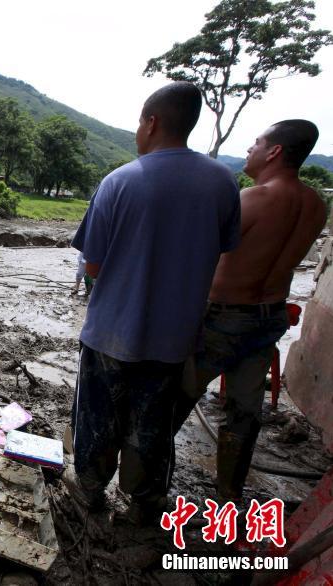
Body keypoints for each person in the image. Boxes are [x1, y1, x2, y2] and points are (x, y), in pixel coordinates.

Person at [65, 82, 241, 524]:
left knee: (99, 417)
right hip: (174, 338)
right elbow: (221, 252)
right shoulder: (223, 183)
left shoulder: (118, 182)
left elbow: (93, 268)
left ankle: (90, 490)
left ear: (151, 122)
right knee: (154, 424)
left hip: (110, 333)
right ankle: (144, 502)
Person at [172, 120, 327, 501]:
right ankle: (228, 492)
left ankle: (149, 484)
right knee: (245, 411)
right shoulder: (316, 205)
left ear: (274, 152)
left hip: (224, 318)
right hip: (269, 317)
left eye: (256, 143)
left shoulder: (254, 198)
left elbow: (202, 253)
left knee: (175, 397)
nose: (248, 150)